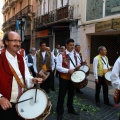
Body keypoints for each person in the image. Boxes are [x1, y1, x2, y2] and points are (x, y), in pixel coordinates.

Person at [0, 31, 42, 120]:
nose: (18, 44)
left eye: (19, 41)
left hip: (22, 101)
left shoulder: (21, 58)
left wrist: (32, 80)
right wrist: (0, 98)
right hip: (6, 105)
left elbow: (26, 76)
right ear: (6, 42)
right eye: (15, 41)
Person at [56, 38, 80, 120]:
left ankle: (70, 109)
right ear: (66, 45)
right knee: (61, 96)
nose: (72, 47)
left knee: (71, 95)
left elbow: (78, 62)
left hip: (73, 78)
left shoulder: (76, 54)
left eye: (73, 45)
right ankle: (59, 112)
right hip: (64, 78)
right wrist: (67, 70)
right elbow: (58, 67)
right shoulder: (61, 55)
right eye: (70, 45)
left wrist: (78, 66)